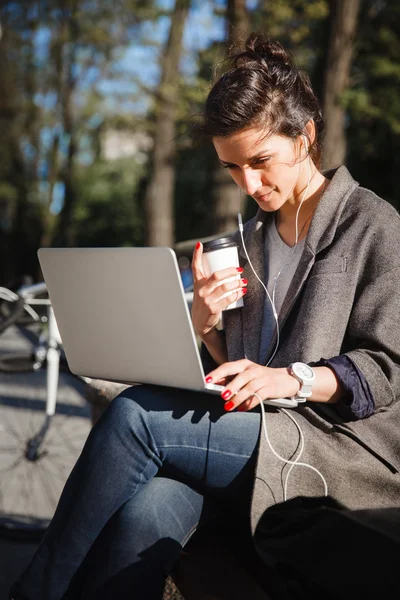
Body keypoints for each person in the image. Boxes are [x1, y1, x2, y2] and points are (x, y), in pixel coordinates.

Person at [10, 33, 400, 600]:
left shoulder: (372, 225)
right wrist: (204, 322)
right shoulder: (246, 243)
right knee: (144, 516)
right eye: (232, 168)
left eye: (260, 162)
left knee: (137, 415)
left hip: (334, 445)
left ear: (306, 135)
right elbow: (237, 366)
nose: (249, 184)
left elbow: (386, 368)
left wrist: (290, 378)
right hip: (253, 436)